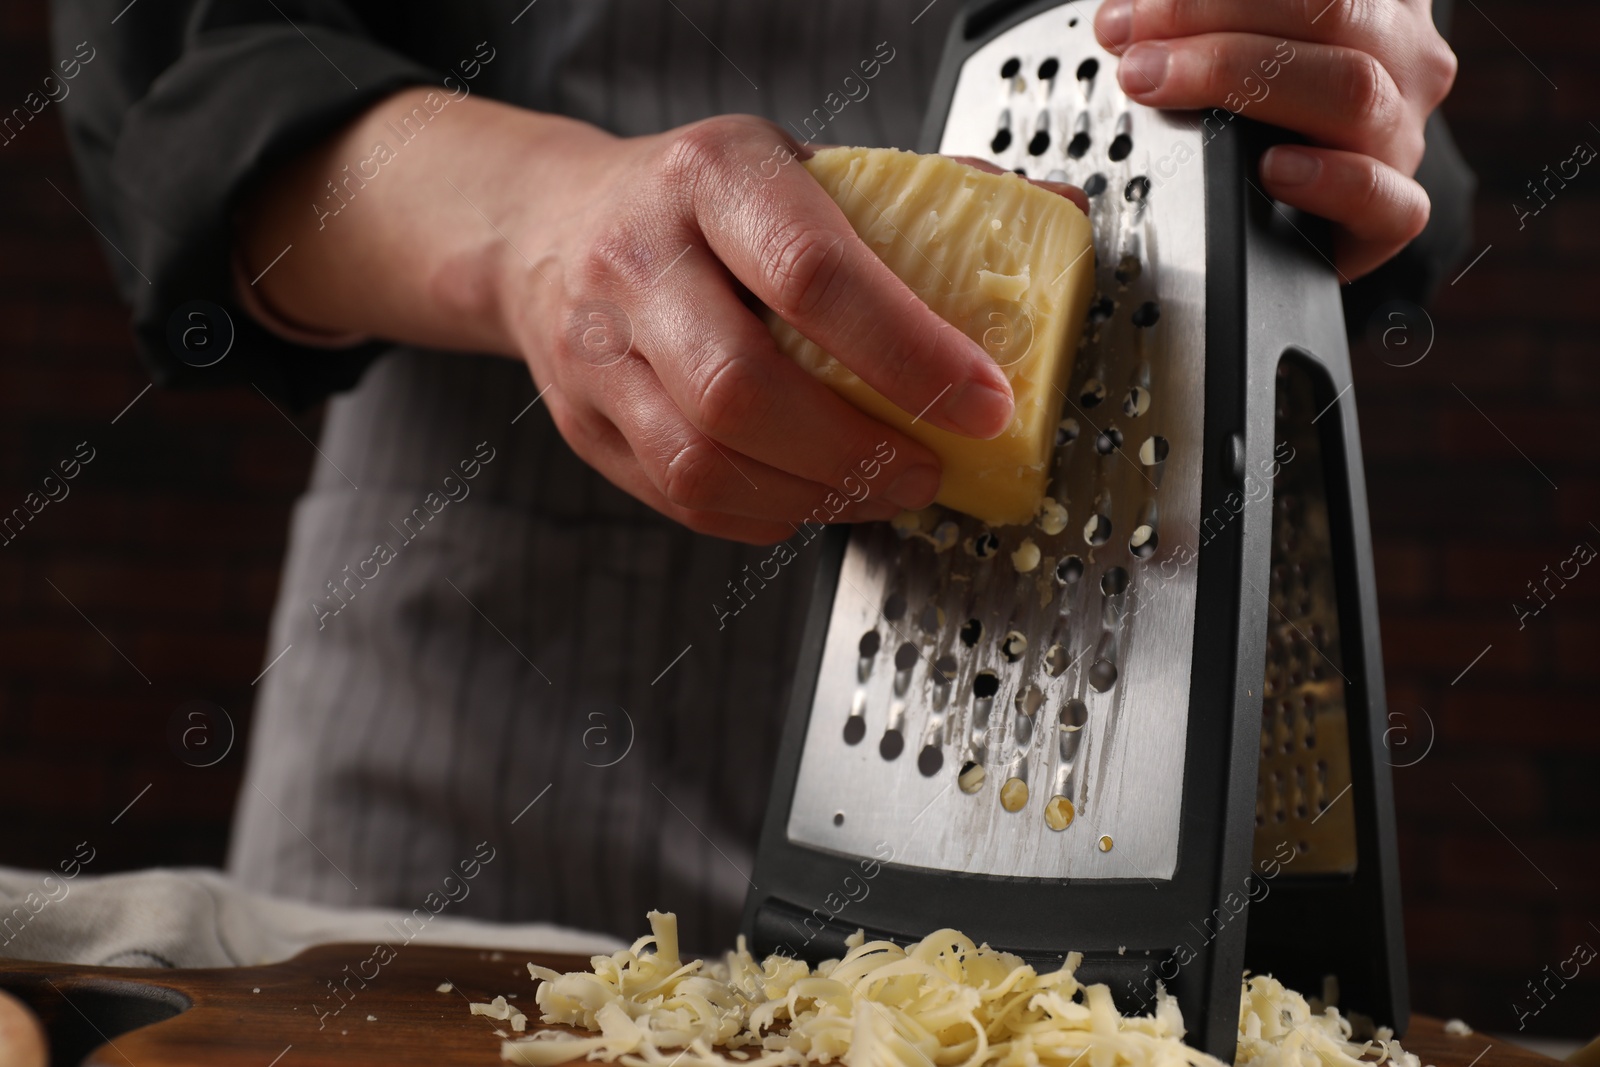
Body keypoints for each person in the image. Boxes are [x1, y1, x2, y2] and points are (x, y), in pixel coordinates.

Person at [52, 0, 1472, 953]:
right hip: (482, 733)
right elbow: (192, 73)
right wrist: (547, 233)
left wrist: (1357, 85)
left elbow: (1397, 151)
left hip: (1099, 728)